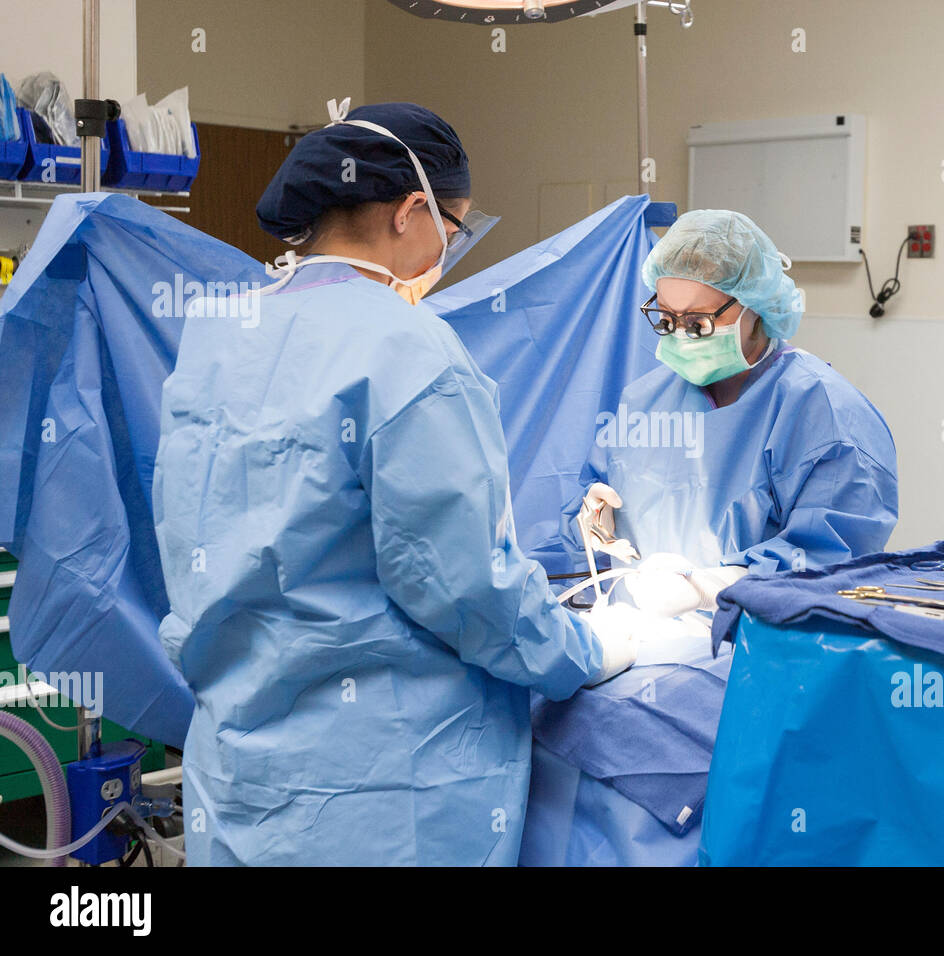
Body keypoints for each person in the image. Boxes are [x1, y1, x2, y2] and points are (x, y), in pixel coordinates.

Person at [152, 101, 635, 866]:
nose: (451, 248)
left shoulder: (217, 339)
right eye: (453, 226)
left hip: (241, 776)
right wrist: (584, 646)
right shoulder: (410, 350)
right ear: (412, 211)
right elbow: (465, 586)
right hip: (382, 792)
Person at [519, 209, 899, 866]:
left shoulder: (820, 409)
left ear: (756, 309)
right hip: (643, 629)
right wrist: (594, 524)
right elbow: (604, 501)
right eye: (664, 321)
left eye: (699, 323)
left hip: (758, 649)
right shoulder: (645, 401)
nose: (679, 338)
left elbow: (837, 564)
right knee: (543, 698)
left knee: (619, 724)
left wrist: (708, 585)